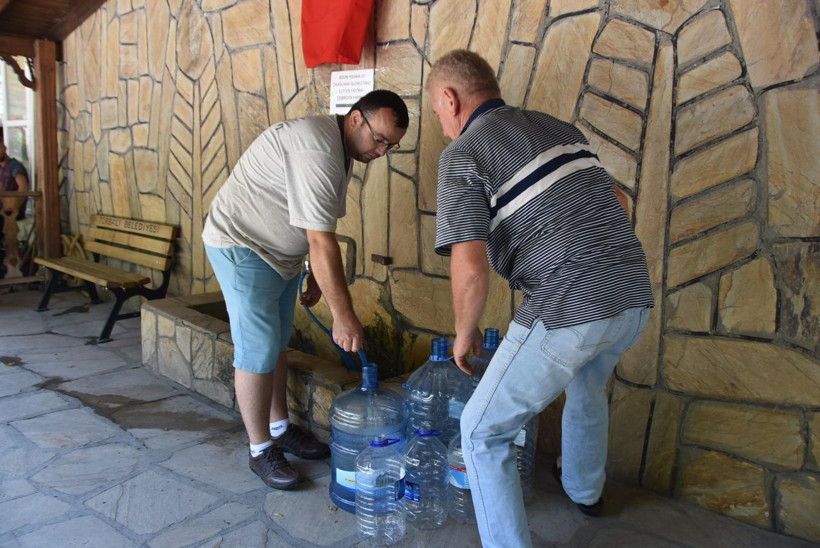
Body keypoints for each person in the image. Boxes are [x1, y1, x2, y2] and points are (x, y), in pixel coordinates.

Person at [427, 50, 654, 547]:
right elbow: (619, 201)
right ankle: (585, 491)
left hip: (569, 303)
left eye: (438, 113)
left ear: (450, 98)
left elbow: (469, 260)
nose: (442, 125)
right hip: (633, 293)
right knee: (588, 384)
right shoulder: (559, 128)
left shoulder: (463, 153)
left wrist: (464, 332)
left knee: (482, 431)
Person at [202, 90, 408, 490]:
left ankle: (279, 428)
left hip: (279, 253)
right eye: (379, 139)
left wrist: (314, 274)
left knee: (277, 340)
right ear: (354, 119)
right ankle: (260, 449)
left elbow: (319, 225)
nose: (381, 151)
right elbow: (321, 241)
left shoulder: (341, 148)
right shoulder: (318, 147)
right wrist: (343, 317)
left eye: (390, 146)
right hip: (242, 244)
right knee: (258, 347)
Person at [0, 130, 30, 279]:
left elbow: (23, 188)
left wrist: (13, 209)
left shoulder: (14, 166)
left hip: (11, 216)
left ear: (4, 148)